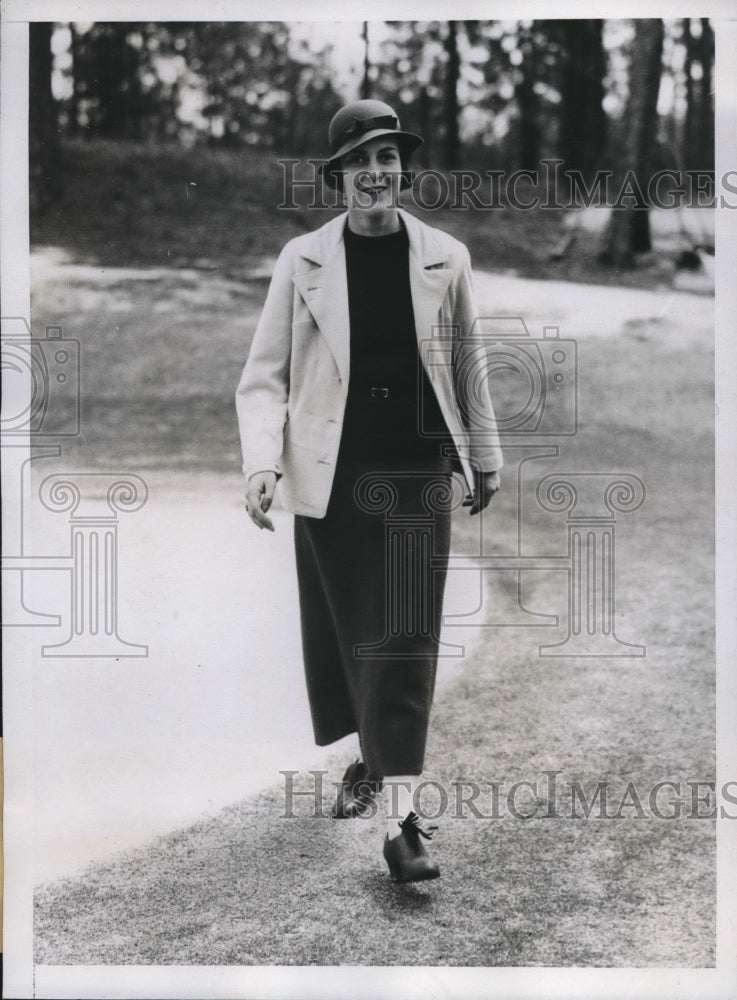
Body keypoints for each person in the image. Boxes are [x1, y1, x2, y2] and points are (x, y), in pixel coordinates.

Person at [236, 99, 503, 883]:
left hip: (417, 470)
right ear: (338, 177)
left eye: (387, 157)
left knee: (405, 639)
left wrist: (484, 457)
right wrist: (261, 463)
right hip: (334, 472)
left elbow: (468, 364)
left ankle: (401, 823)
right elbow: (264, 377)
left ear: (402, 169)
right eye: (359, 162)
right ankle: (372, 755)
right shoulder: (303, 261)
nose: (375, 173)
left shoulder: (445, 257)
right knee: (355, 636)